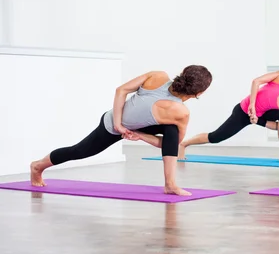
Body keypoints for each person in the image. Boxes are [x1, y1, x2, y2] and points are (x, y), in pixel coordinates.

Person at [29, 65, 213, 196]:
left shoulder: (161, 82)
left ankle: (170, 184)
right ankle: (38, 166)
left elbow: (170, 144)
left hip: (140, 124)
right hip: (112, 124)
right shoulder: (177, 107)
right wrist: (118, 124)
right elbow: (121, 91)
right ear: (199, 94)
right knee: (79, 151)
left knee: (171, 130)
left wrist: (139, 135)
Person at [178, 70, 279, 163]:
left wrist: (258, 121)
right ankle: (184, 144)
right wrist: (252, 105)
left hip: (261, 115)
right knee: (216, 137)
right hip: (243, 110)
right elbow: (256, 82)